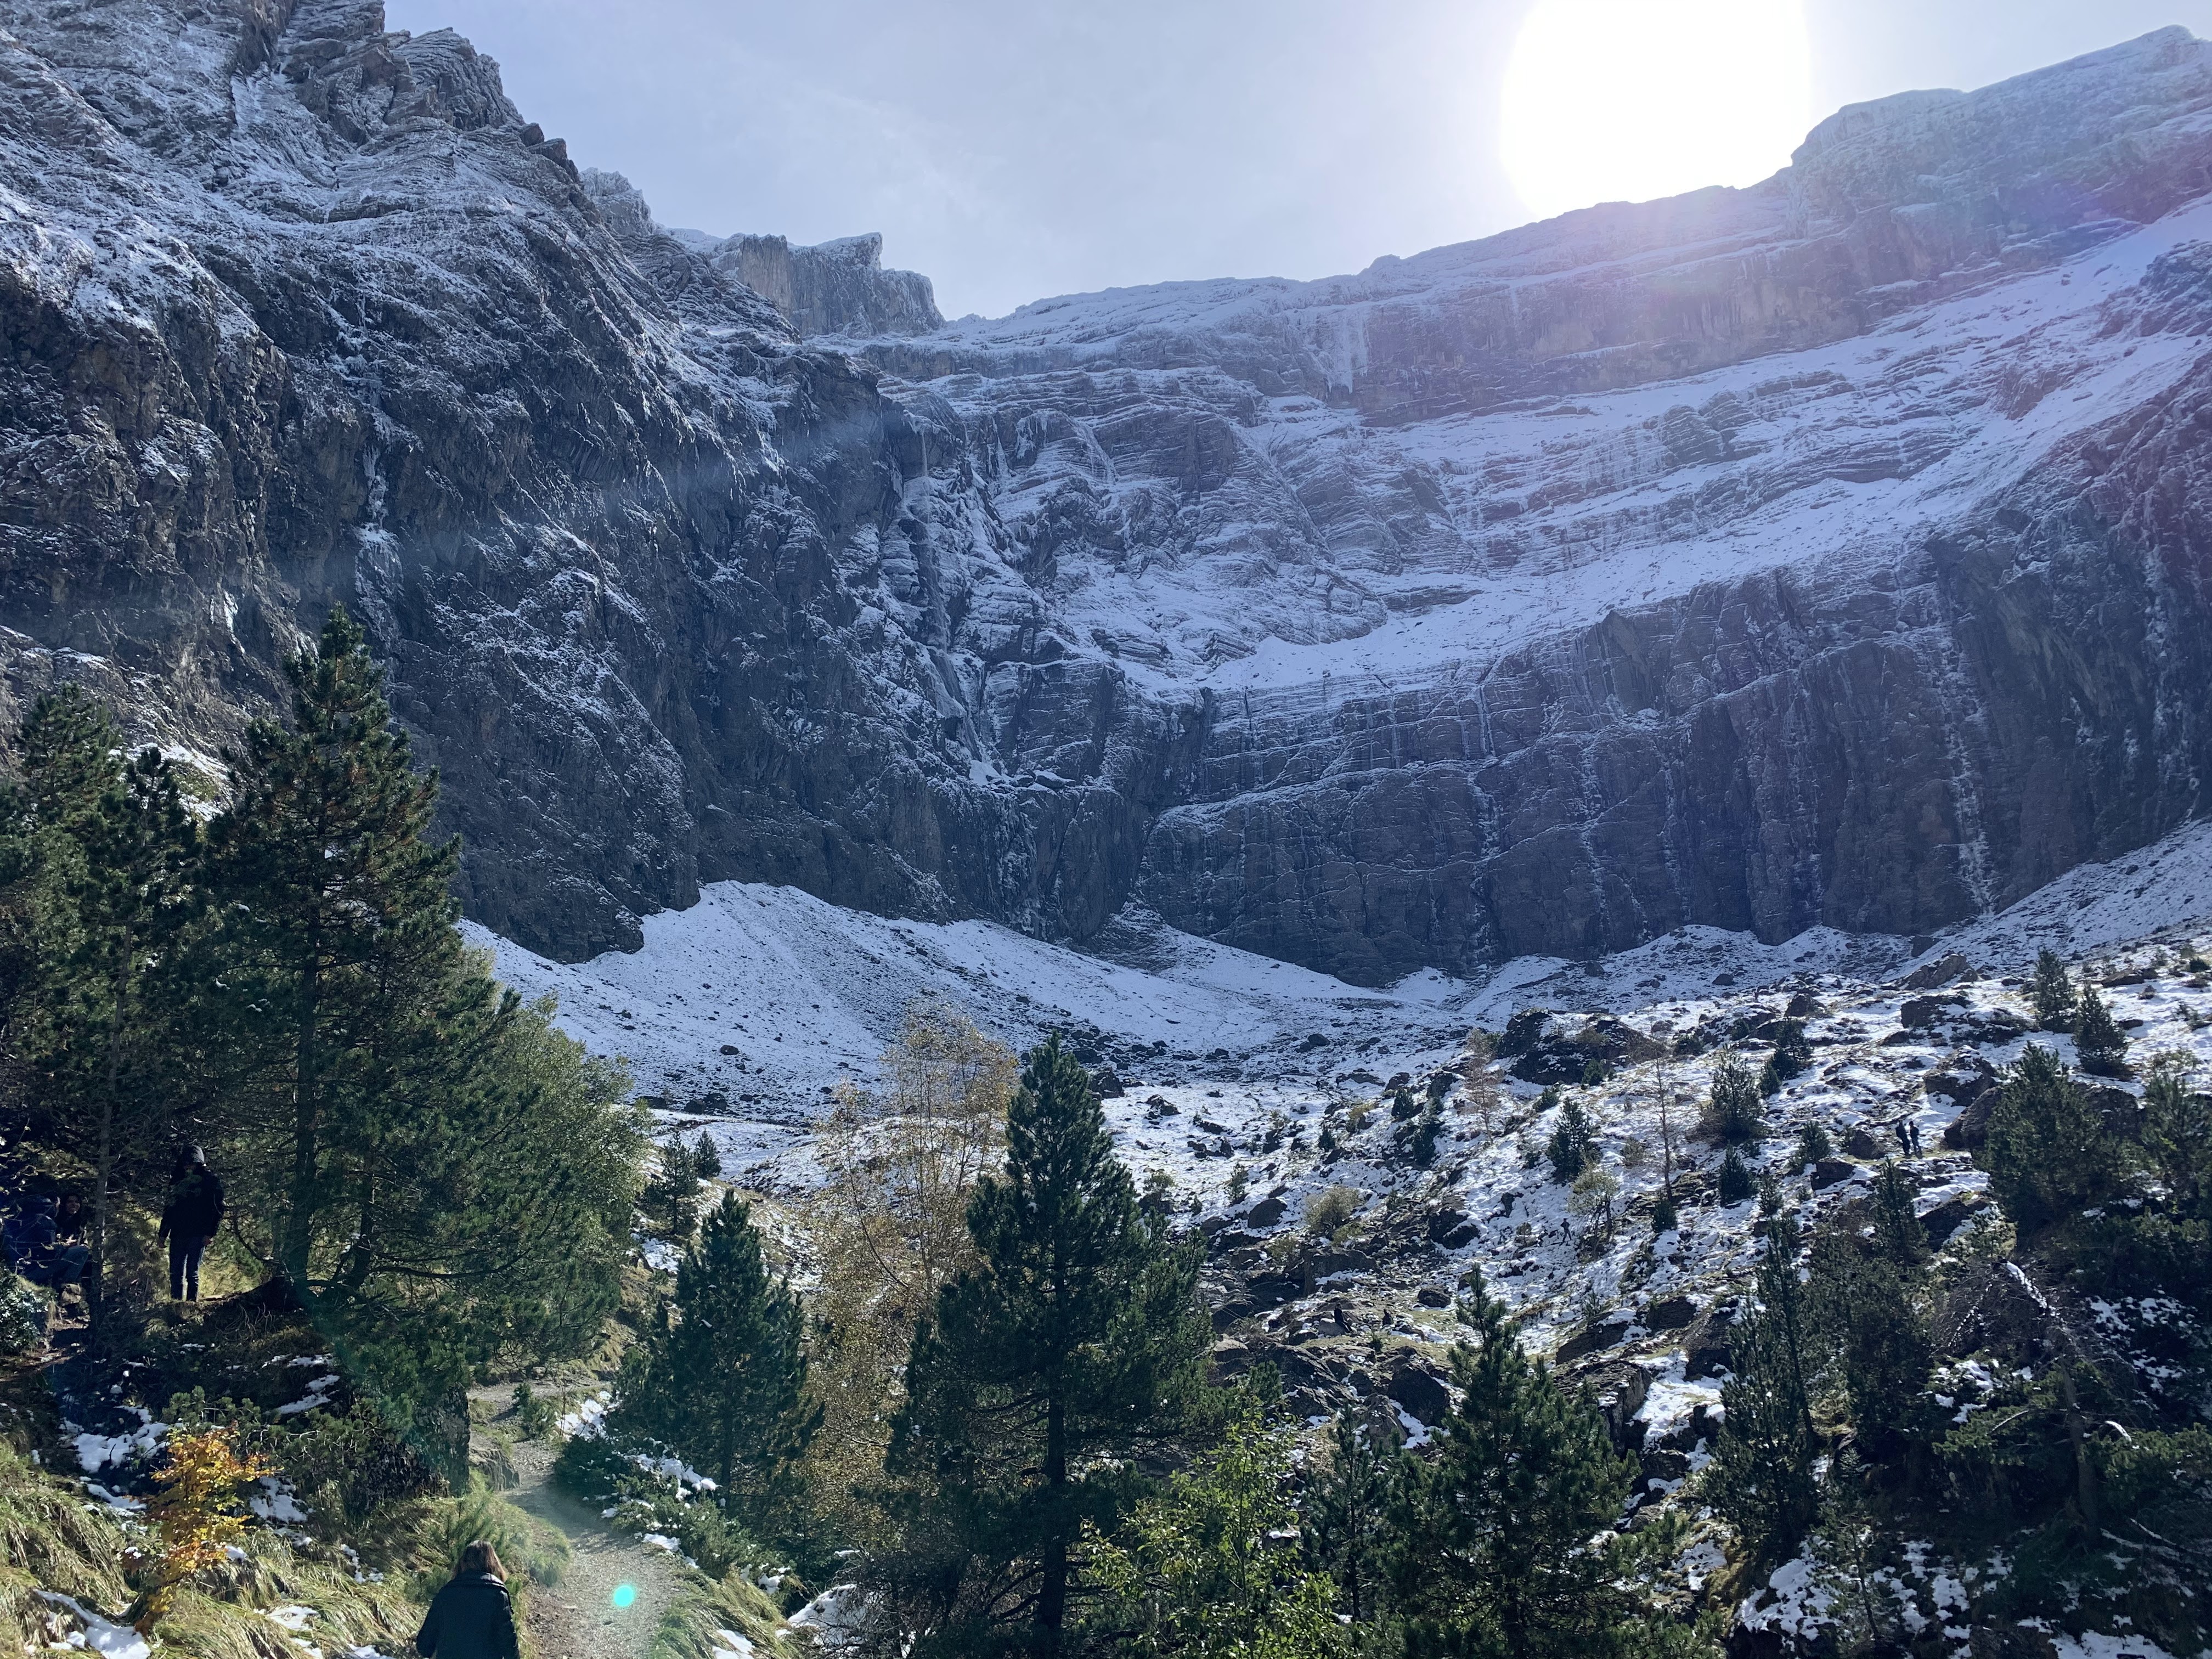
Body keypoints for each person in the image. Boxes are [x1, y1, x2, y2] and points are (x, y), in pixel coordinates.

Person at [415, 1540, 521, 1659]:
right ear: (492, 1562)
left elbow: (424, 1645)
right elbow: (509, 1646)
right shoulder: (497, 1594)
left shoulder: (446, 1593)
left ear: (463, 1562)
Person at [157, 1148, 225, 1302]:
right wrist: (163, 1234)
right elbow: (169, 1209)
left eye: (191, 1163)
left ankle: (191, 1306)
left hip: (199, 1234)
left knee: (192, 1273)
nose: (188, 1167)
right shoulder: (178, 1181)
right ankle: (176, 1304)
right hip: (178, 1233)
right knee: (175, 1273)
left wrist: (210, 1233)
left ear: (199, 1163)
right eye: (186, 1164)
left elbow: (218, 1209)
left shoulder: (210, 1180)